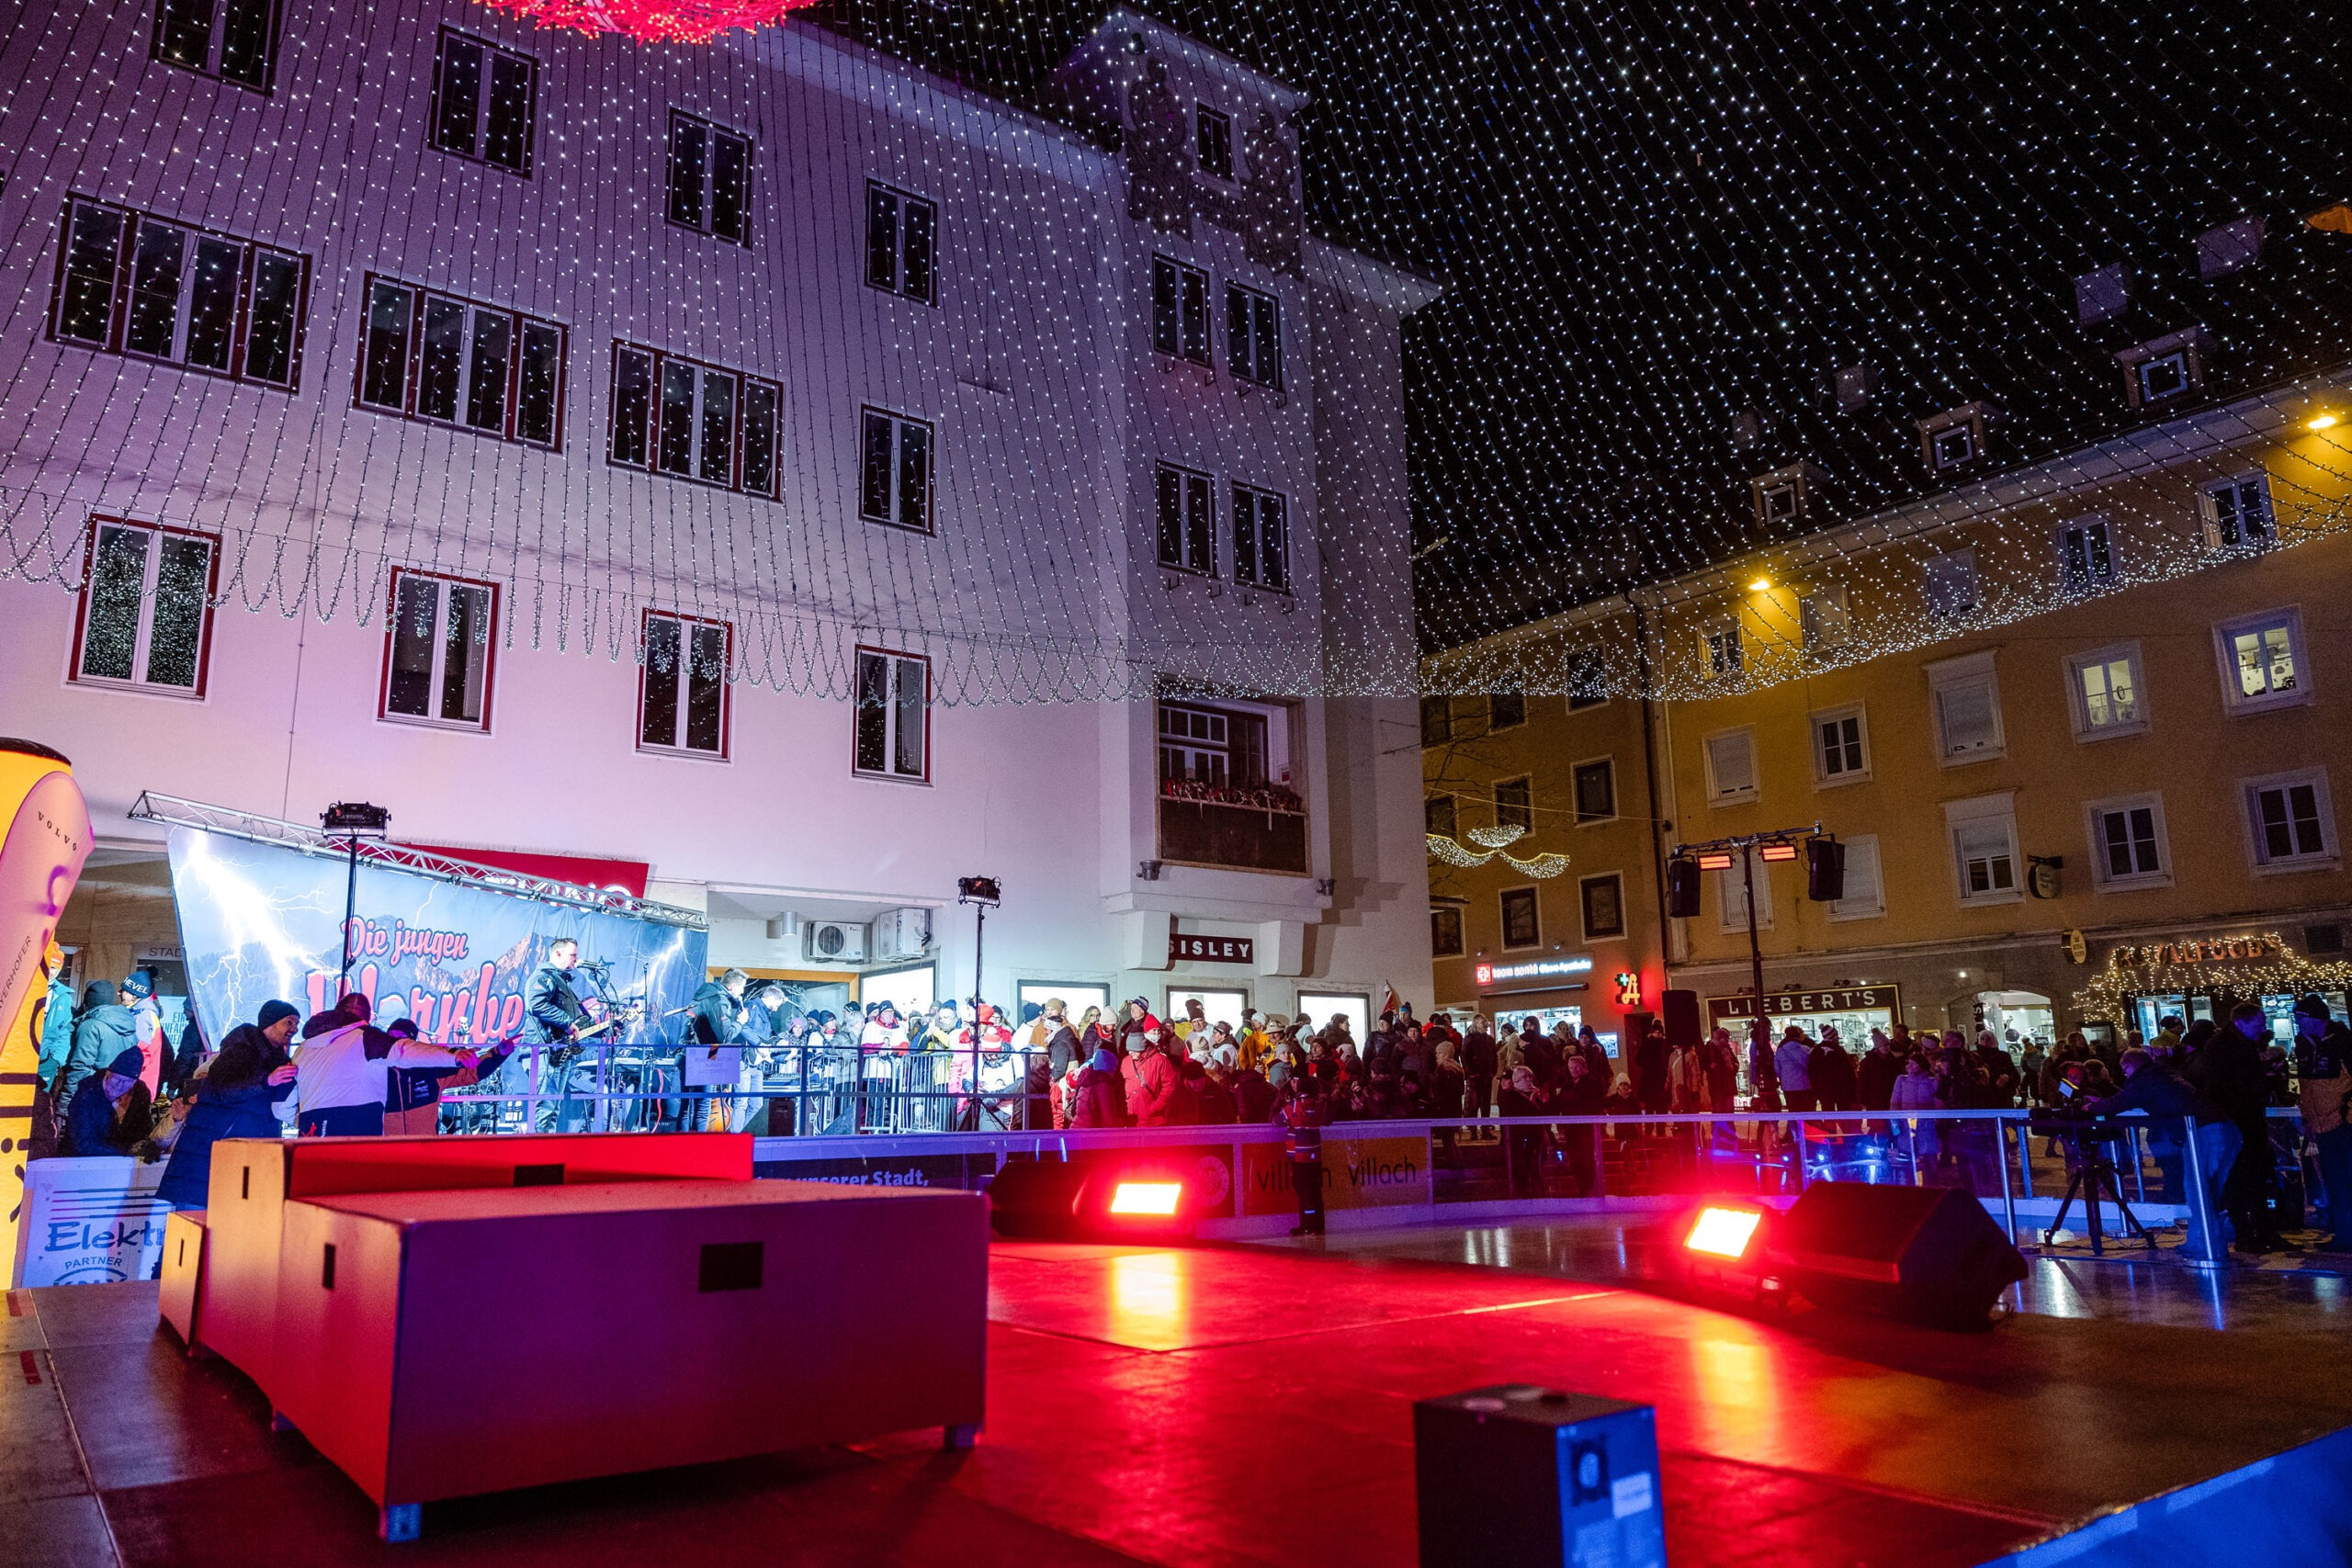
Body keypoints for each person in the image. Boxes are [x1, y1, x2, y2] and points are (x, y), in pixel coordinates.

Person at [2084, 1047, 2240, 1262]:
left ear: (2130, 1066)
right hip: (2222, 1130)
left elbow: (2118, 1102)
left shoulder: (2146, 1081)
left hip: (2203, 1134)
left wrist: (2091, 1107)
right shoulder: (2163, 1074)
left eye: (2124, 1070)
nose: (2125, 1075)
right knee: (2208, 1192)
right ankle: (2202, 1242)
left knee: (2198, 1192)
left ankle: (2208, 1246)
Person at [2190, 1003, 2290, 1253]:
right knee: (2242, 1179)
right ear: (2241, 1022)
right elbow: (2233, 1086)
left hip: (2244, 1121)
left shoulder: (2232, 1045)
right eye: (2259, 1023)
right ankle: (2249, 1233)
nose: (2262, 1028)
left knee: (2253, 1178)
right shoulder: (2226, 1047)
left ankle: (2260, 1231)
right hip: (2239, 1122)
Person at [156, 1035, 298, 1206]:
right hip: (196, 1184)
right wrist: (177, 1119)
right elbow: (160, 1140)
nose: (203, 1088)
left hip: (215, 1185)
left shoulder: (234, 1112)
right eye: (201, 1081)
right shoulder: (193, 1110)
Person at [2290, 994, 2352, 1252]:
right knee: (2333, 1179)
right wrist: (2307, 1117)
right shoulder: (2304, 1044)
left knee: (2345, 1177)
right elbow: (2306, 1086)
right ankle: (2341, 1229)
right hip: (2320, 1122)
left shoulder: (2343, 1041)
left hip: (2342, 1120)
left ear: (2317, 1018)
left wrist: (2347, 1112)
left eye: (2301, 1018)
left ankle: (2347, 1232)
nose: (2298, 1023)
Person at [59, 979, 138, 1111]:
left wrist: (65, 1105)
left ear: (88, 1001)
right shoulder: (129, 1025)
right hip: (116, 1098)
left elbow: (80, 1067)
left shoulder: (90, 1026)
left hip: (89, 1096)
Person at [62, 1046, 153, 1157]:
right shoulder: (88, 1092)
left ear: (134, 1083)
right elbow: (81, 1140)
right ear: (108, 1074)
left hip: (121, 1159)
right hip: (80, 1158)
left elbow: (143, 1128)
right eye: (116, 1079)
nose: (119, 1086)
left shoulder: (139, 1094)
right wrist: (123, 1152)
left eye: (126, 1082)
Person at [1274, 1077, 1328, 1235]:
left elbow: (1276, 1120)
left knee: (1304, 1193)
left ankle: (1307, 1225)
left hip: (1299, 1155)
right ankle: (1318, 1224)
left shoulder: (1294, 1106)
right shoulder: (1318, 1106)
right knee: (1315, 1190)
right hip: (1315, 1154)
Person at [1122, 1021, 1179, 1125]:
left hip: (1153, 1121)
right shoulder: (1126, 1061)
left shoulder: (1160, 1060)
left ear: (1143, 1046)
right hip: (1131, 1120)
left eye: (1134, 1050)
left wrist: (1157, 1107)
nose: (1130, 1053)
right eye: (1129, 1049)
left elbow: (1170, 1086)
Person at [1070, 1044, 1127, 1128]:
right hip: (1091, 1131)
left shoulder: (1087, 1081)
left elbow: (1075, 1110)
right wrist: (1122, 1123)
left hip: (1077, 1129)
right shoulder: (1104, 1086)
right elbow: (1108, 1118)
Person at [1775, 1025, 1815, 1113]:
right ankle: (1804, 1122)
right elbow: (1811, 1067)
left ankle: (1795, 1122)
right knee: (1807, 1110)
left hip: (1788, 1086)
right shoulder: (1805, 1050)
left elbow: (1777, 1070)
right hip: (1804, 1084)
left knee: (1793, 1110)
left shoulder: (1781, 1050)